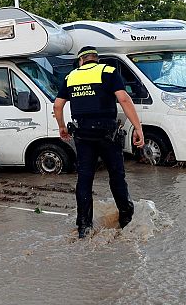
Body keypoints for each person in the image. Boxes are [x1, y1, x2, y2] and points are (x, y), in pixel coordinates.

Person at [53, 46, 145, 238]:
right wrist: (138, 128)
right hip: (107, 134)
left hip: (82, 134)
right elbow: (124, 100)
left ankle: (84, 227)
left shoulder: (70, 77)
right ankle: (126, 222)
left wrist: (61, 126)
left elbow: (57, 105)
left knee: (85, 179)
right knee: (116, 176)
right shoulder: (108, 71)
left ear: (80, 61)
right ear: (96, 59)